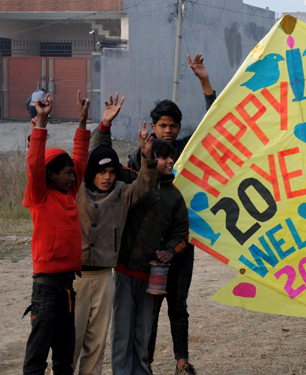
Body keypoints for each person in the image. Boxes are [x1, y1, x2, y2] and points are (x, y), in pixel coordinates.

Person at [95, 53, 214, 375]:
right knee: (144, 313)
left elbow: (211, 123)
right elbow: (113, 178)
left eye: (174, 126)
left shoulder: (186, 151)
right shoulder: (139, 159)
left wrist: (204, 80)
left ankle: (181, 361)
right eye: (163, 125)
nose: (169, 131)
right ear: (154, 126)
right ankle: (138, 365)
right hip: (141, 253)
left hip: (178, 240)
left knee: (177, 304)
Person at [72, 94, 157, 375]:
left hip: (104, 278)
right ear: (91, 173)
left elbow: (145, 185)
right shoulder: (77, 193)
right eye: (101, 172)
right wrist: (102, 127)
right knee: (72, 341)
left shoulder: (122, 193)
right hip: (76, 278)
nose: (107, 177)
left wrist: (147, 156)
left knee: (96, 344)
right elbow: (81, 159)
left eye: (112, 171)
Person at [22, 91, 90, 375]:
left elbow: (80, 160)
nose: (73, 177)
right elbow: (34, 164)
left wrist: (83, 122)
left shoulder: (69, 194)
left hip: (66, 288)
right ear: (51, 175)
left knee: (64, 358)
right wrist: (41, 124)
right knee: (37, 358)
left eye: (73, 174)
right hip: (46, 288)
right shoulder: (39, 196)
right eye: (66, 173)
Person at [111, 138, 189, 375]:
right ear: (150, 158)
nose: (171, 161)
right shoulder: (130, 181)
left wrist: (170, 251)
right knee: (122, 332)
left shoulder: (175, 197)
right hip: (124, 271)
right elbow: (102, 159)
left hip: (150, 276)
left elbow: (181, 232)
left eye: (171, 157)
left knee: (143, 333)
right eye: (164, 157)